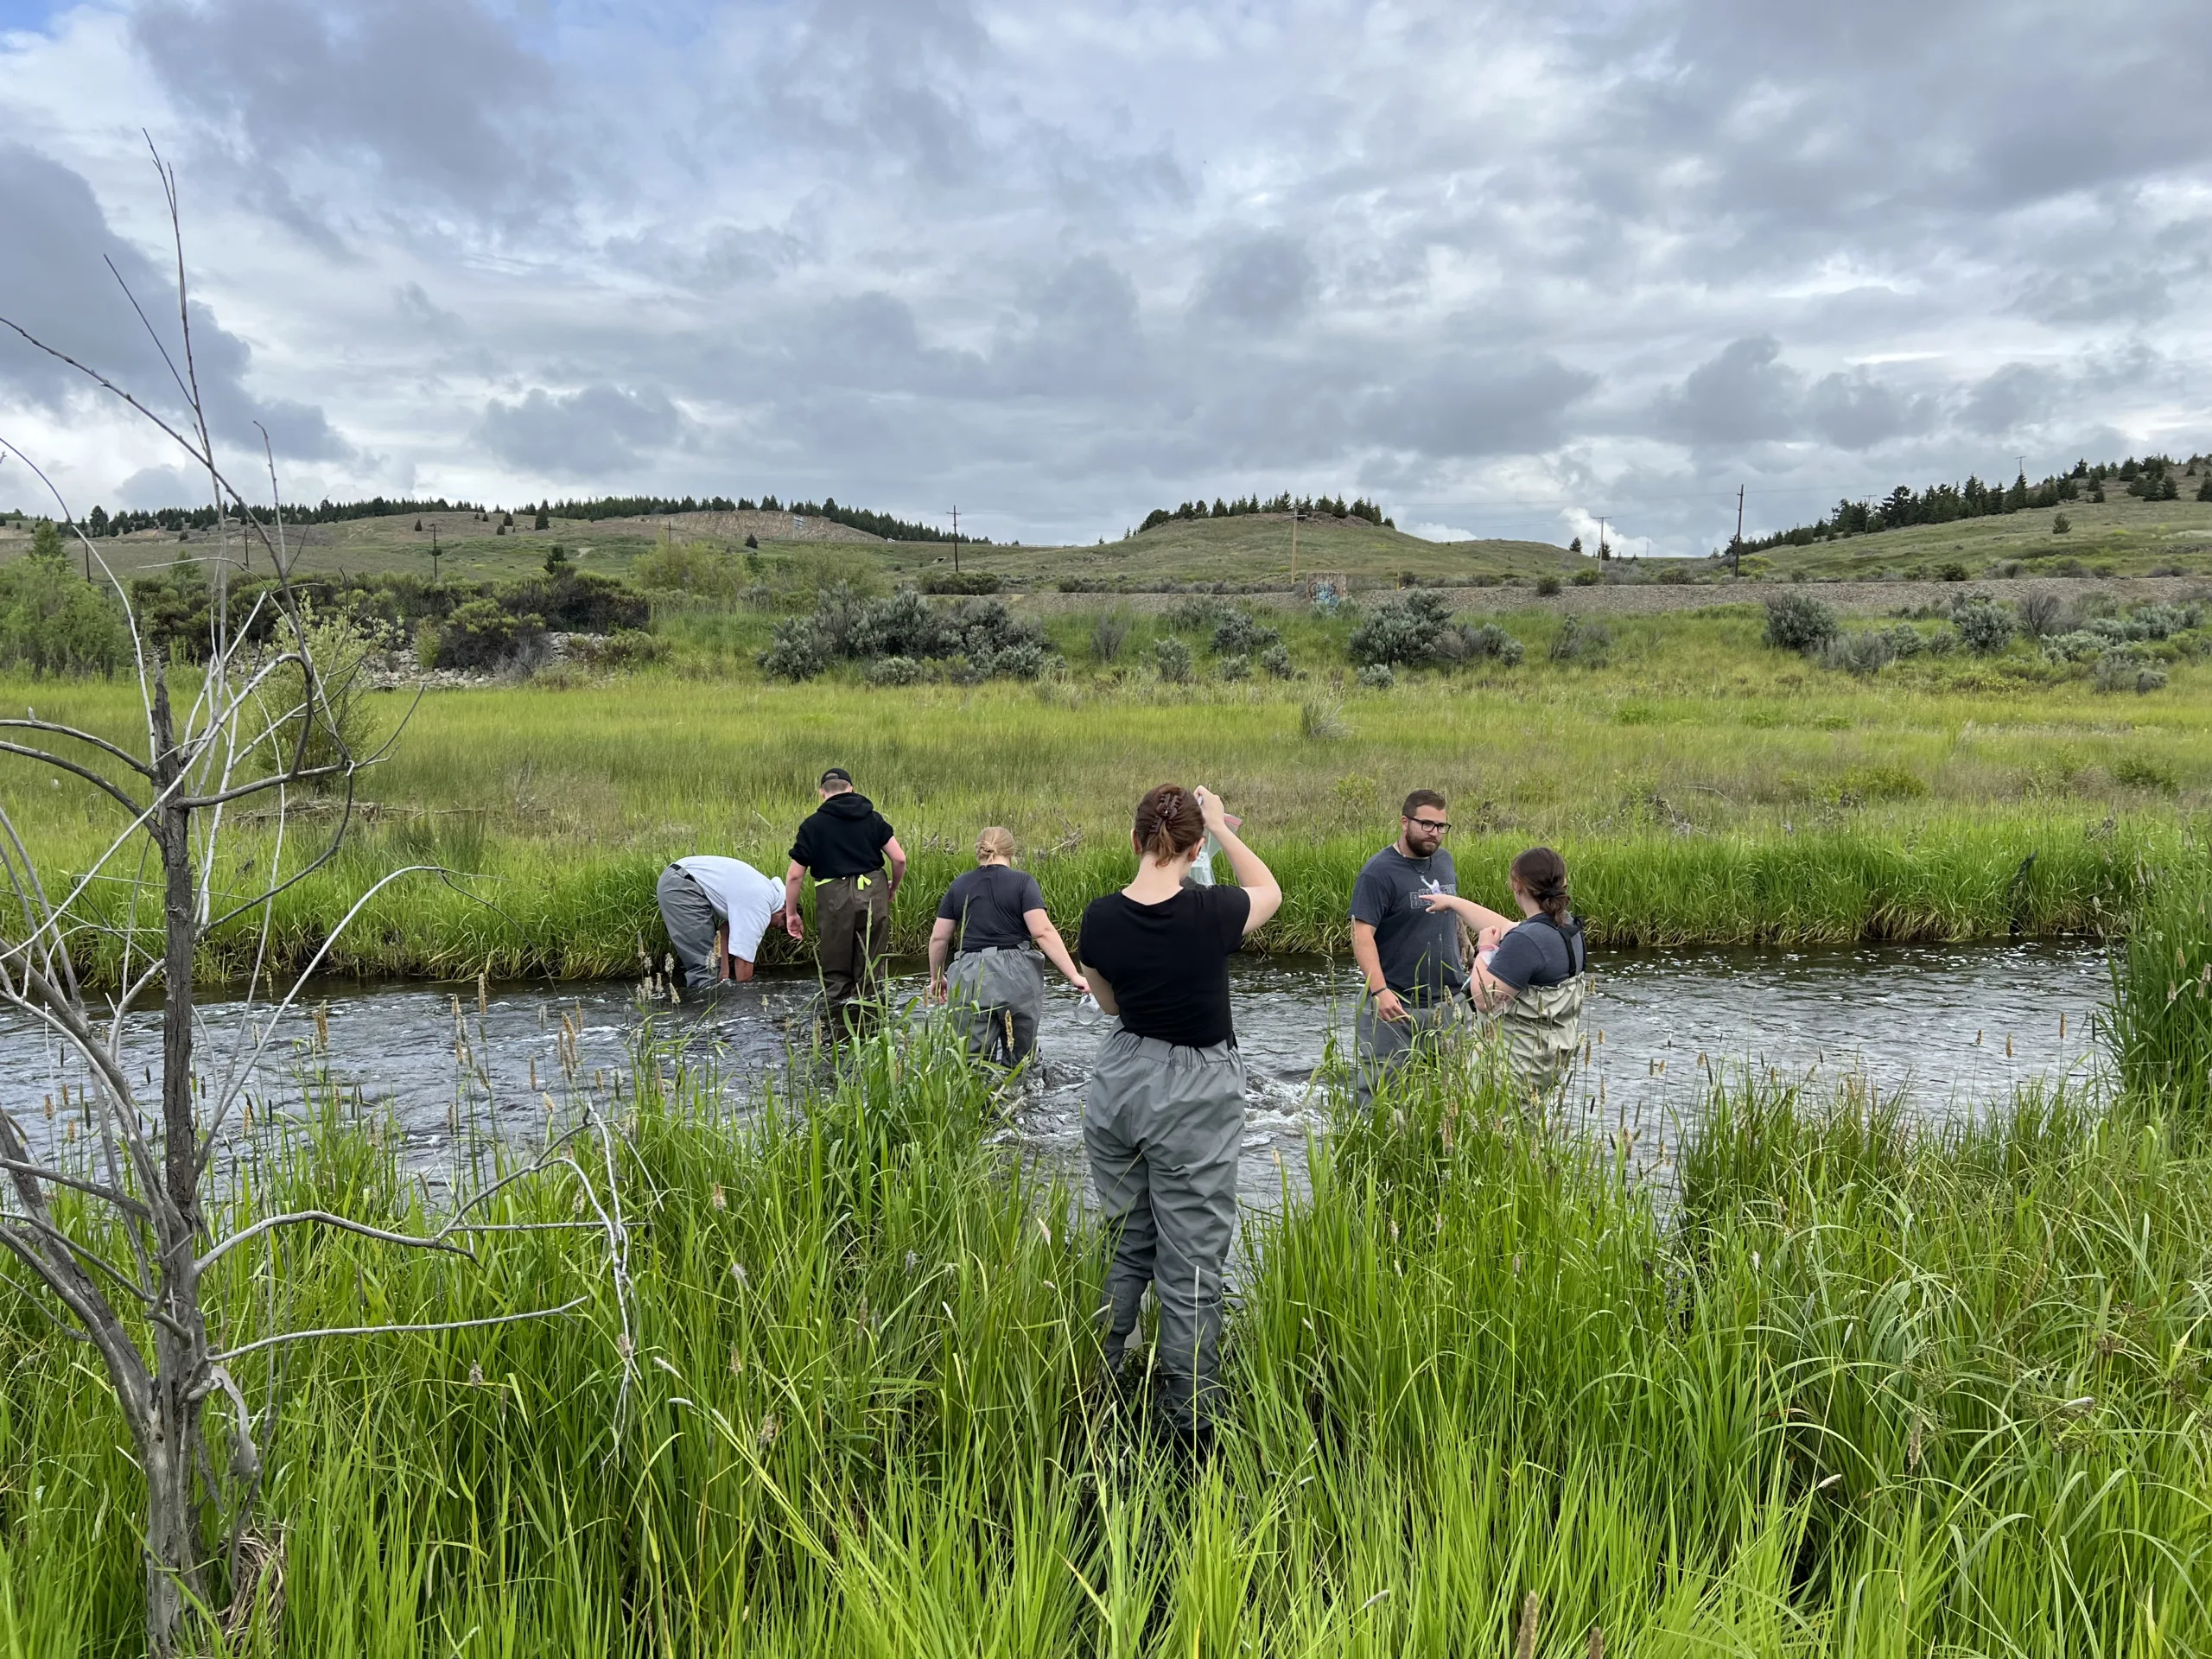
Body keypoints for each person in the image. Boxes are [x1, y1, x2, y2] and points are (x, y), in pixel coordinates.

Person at [1077, 783, 1281, 1448]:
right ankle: (1188, 1420)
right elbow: (1269, 891)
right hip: (1194, 1089)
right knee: (1192, 1263)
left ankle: (1098, 1387)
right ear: (1194, 851)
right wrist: (1223, 825)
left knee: (1124, 1241)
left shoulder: (1099, 917)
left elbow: (1109, 1008)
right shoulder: (1211, 910)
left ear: (1134, 840)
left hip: (1119, 1079)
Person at [1416, 846, 1588, 1099]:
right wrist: (1451, 902)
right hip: (1548, 1060)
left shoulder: (1527, 941)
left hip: (1516, 1066)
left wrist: (1485, 948)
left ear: (1516, 885)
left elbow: (1484, 1000)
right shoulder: (1565, 925)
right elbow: (1507, 927)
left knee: (1500, 1131)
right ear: (1563, 882)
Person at [1348, 790, 1473, 1104]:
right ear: (1405, 822)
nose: (1435, 833)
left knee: (1449, 1099)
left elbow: (1447, 910)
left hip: (1448, 1004)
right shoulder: (1378, 872)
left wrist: (1464, 945)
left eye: (1441, 826)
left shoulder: (1444, 861)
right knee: (1381, 1100)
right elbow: (1361, 936)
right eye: (1427, 824)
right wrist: (1379, 992)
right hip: (1395, 1005)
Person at [928, 826, 1088, 1067]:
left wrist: (937, 977)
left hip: (969, 974)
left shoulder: (959, 885)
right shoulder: (1023, 882)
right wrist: (1074, 975)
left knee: (971, 1064)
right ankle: (1021, 1100)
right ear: (1011, 853)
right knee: (1021, 1061)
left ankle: (977, 1102)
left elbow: (939, 939)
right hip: (1017, 975)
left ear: (978, 852)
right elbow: (1042, 932)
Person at [783, 768, 906, 1032]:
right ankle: (872, 1037)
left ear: (822, 793)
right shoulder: (872, 818)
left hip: (833, 897)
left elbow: (795, 876)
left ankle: (837, 1036)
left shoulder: (812, 825)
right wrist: (892, 889)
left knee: (836, 973)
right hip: (873, 891)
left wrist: (791, 913)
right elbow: (899, 859)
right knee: (871, 970)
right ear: (851, 788)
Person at [654, 855, 787, 989]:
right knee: (707, 969)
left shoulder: (765, 892)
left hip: (680, 877)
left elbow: (724, 931)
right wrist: (745, 998)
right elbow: (744, 960)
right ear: (783, 910)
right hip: (683, 885)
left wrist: (724, 974)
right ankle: (707, 1008)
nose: (772, 927)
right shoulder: (761, 905)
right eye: (777, 925)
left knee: (713, 971)